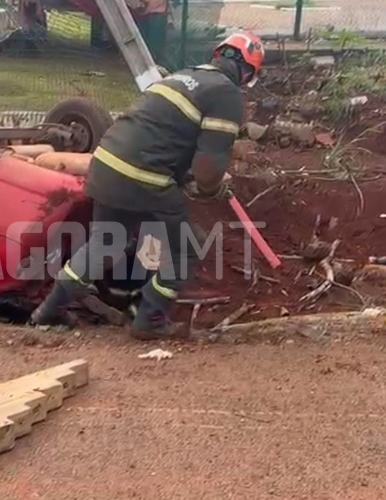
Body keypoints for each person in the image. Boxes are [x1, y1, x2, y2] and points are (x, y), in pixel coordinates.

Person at [29, 31, 265, 340]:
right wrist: (212, 188)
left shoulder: (182, 77)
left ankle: (47, 313)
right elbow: (208, 170)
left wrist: (191, 175)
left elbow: (164, 134)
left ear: (218, 55)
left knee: (106, 242)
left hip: (106, 164)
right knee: (187, 247)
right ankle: (149, 317)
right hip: (145, 177)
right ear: (247, 73)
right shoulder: (226, 94)